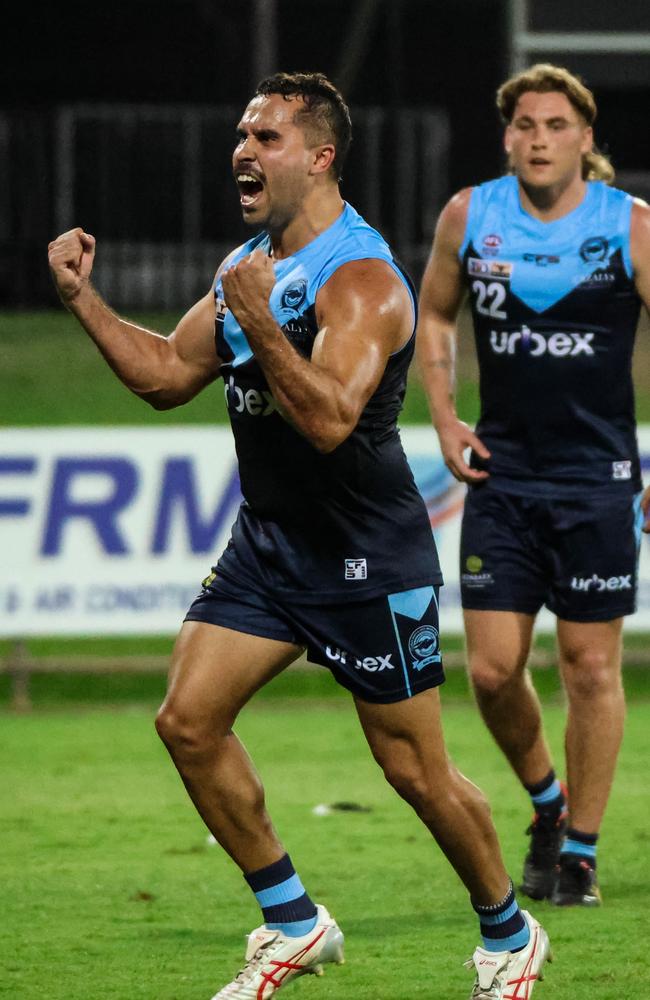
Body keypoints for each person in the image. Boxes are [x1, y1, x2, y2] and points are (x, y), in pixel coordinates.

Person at [48, 71, 549, 1000]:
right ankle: (293, 921)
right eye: (242, 133)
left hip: (367, 557)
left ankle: (509, 934)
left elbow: (327, 420)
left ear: (319, 157)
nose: (243, 149)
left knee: (416, 773)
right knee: (189, 722)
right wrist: (85, 298)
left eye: (267, 137)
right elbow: (164, 374)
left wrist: (255, 317)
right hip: (272, 548)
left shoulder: (362, 280)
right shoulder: (251, 264)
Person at [416, 62, 650, 910]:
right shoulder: (470, 215)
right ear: (506, 135)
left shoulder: (629, 224)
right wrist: (445, 417)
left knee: (591, 668)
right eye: (525, 125)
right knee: (489, 671)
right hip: (504, 478)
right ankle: (546, 804)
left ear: (586, 139)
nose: (539, 139)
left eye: (556, 125)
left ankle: (579, 854)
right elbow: (434, 312)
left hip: (596, 479)